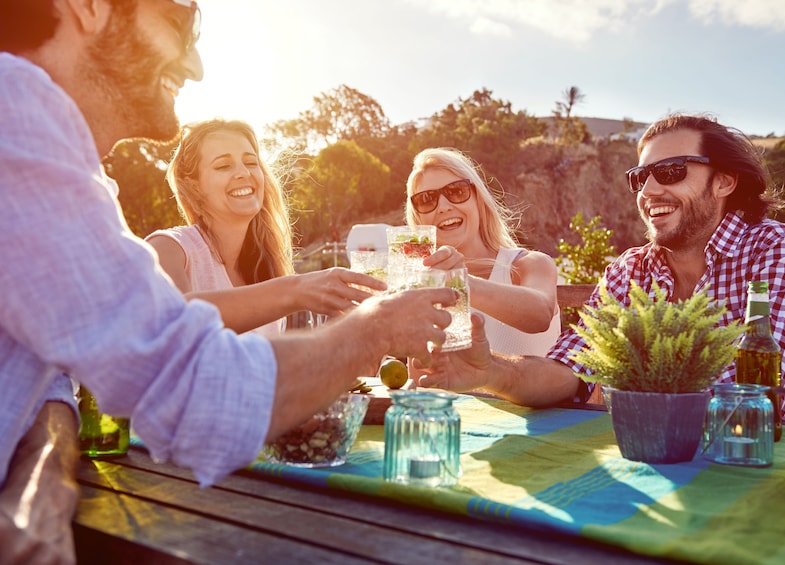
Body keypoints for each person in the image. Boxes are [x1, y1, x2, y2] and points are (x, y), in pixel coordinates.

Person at [0, 1, 455, 562]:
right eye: (182, 20)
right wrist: (376, 328)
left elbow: (41, 370)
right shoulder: (16, 116)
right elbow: (197, 391)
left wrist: (43, 468)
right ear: (89, 7)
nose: (195, 66)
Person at [417, 114, 785, 416]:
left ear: (724, 182)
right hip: (650, 456)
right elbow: (569, 367)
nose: (649, 191)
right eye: (640, 177)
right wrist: (490, 371)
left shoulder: (772, 246)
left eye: (671, 171)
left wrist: (624, 391)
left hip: (756, 464)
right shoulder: (631, 270)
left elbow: (759, 390)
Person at [146, 118, 383, 338]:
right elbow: (174, 322)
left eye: (251, 162)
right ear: (193, 186)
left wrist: (348, 334)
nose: (244, 173)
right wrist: (296, 290)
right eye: (223, 166)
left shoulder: (266, 269)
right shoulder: (168, 249)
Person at [406, 148, 561, 356]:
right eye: (426, 199)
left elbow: (540, 315)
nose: (443, 207)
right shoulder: (425, 287)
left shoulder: (529, 264)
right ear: (418, 218)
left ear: (478, 200)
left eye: (456, 191)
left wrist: (460, 281)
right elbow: (423, 378)